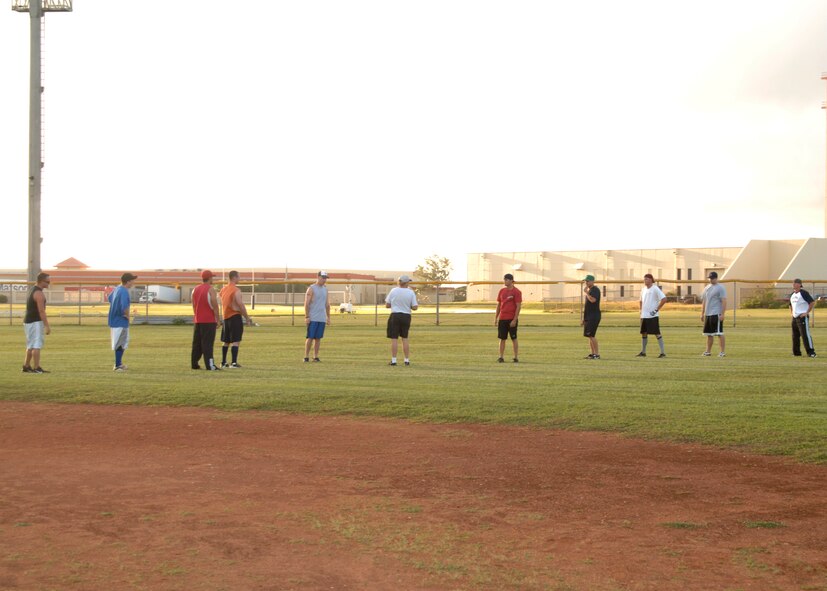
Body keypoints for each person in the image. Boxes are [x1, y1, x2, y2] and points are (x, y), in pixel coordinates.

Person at [219, 270, 252, 368]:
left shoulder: (223, 289)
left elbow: (223, 301)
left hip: (226, 317)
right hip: (234, 316)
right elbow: (240, 305)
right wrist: (247, 317)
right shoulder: (236, 290)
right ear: (234, 277)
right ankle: (234, 363)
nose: (239, 279)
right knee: (236, 340)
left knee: (226, 341)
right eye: (238, 277)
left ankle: (223, 362)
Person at [191, 270, 223, 371]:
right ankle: (210, 365)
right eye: (212, 277)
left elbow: (193, 305)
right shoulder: (210, 289)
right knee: (208, 344)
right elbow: (215, 306)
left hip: (198, 320)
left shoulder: (195, 289)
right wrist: (218, 319)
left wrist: (196, 315)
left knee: (197, 343)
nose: (212, 279)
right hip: (209, 321)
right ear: (209, 278)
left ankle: (194, 364)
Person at [385, 274, 418, 366]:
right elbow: (415, 307)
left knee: (394, 339)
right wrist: (407, 305)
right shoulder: (410, 292)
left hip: (395, 315)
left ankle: (394, 360)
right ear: (406, 283)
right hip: (406, 316)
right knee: (405, 338)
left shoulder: (393, 291)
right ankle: (406, 360)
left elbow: (387, 305)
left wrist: (396, 304)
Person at [22, 272, 51, 374]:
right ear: (41, 281)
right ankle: (37, 367)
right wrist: (47, 325)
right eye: (47, 282)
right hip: (35, 322)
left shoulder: (32, 290)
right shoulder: (39, 293)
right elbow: (41, 311)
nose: (49, 283)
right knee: (36, 345)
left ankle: (26, 366)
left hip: (28, 321)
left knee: (30, 345)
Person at [108, 272, 137, 371]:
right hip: (120, 321)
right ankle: (117, 365)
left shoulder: (117, 289)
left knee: (120, 342)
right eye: (132, 280)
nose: (133, 282)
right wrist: (127, 316)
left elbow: (110, 298)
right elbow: (124, 307)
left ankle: (119, 363)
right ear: (128, 281)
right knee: (121, 343)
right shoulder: (124, 291)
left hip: (114, 320)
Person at [304, 270, 331, 362]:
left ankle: (315, 356)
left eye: (325, 278)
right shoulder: (311, 288)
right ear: (318, 277)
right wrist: (307, 316)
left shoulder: (325, 289)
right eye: (323, 278)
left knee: (318, 338)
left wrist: (328, 317)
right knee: (310, 337)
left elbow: (327, 304)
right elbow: (306, 303)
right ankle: (306, 356)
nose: (324, 280)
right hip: (313, 318)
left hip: (321, 318)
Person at [638, 273, 667, 358]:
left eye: (646, 279)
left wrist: (656, 310)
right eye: (644, 279)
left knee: (657, 333)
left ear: (651, 280)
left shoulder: (655, 288)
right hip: (644, 315)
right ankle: (643, 352)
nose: (645, 280)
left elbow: (664, 299)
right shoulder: (643, 289)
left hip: (652, 316)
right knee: (644, 333)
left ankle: (662, 353)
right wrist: (640, 310)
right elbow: (640, 301)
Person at [495, 273, 522, 362]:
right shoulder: (502, 291)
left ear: (511, 280)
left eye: (506, 279)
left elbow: (518, 306)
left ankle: (515, 357)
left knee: (514, 338)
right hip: (502, 318)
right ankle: (501, 357)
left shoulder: (517, 292)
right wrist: (496, 318)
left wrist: (514, 319)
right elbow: (499, 305)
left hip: (511, 319)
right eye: (504, 279)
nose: (505, 281)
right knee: (502, 338)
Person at [700, 271, 727, 357]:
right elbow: (704, 301)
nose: (711, 280)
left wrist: (722, 313)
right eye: (710, 278)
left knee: (719, 333)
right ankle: (708, 351)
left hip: (716, 313)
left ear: (716, 278)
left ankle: (722, 352)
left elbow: (724, 301)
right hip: (708, 314)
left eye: (712, 278)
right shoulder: (707, 288)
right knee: (709, 334)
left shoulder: (720, 288)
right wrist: (702, 313)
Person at [789, 278, 817, 358]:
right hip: (795, 318)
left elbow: (812, 302)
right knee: (795, 336)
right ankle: (796, 353)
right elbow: (790, 305)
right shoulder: (792, 294)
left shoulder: (803, 293)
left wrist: (806, 312)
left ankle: (811, 352)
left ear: (799, 284)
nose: (793, 284)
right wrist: (792, 313)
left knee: (805, 335)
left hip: (802, 318)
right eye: (793, 283)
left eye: (795, 283)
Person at [581, 274, 601, 359]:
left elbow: (593, 300)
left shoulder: (595, 290)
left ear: (592, 281)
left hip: (594, 316)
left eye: (588, 281)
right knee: (589, 336)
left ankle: (596, 354)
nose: (586, 282)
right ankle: (593, 353)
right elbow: (587, 306)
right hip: (589, 316)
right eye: (586, 281)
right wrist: (584, 318)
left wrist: (586, 293)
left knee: (592, 335)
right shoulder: (590, 290)